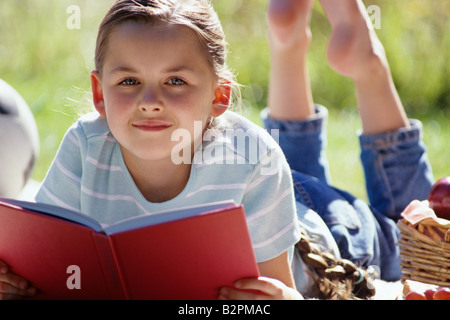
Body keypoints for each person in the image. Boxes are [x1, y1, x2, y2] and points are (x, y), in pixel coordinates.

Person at [0, 0, 303, 300]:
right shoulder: (85, 145)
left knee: (316, 187)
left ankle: (289, 42)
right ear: (99, 93)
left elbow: (274, 292)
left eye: (175, 81)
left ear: (219, 94)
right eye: (129, 81)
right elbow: (44, 276)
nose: (149, 101)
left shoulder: (253, 158)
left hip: (314, 239)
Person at [263, 0, 434, 297]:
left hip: (292, 226)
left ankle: (302, 47)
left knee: (416, 222)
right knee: (422, 238)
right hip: (333, 253)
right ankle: (290, 46)